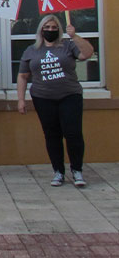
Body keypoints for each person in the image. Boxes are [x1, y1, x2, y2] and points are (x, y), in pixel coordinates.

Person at [17, 14, 93, 187]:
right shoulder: (31, 50)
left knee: (73, 134)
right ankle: (58, 171)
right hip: (43, 98)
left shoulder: (67, 46)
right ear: (41, 30)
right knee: (52, 135)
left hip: (69, 96)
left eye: (53, 28)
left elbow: (86, 54)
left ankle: (77, 170)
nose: (50, 30)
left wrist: (74, 36)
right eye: (47, 28)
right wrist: (21, 99)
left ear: (59, 30)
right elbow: (22, 76)